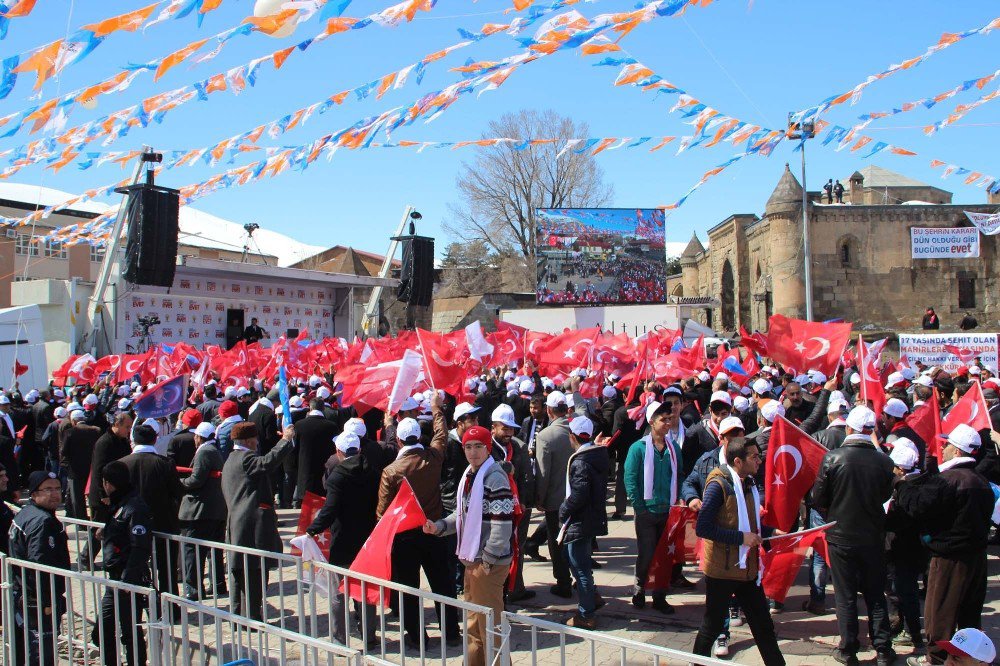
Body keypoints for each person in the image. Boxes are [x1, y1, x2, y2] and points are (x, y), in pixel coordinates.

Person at [897, 424, 994, 666]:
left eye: (948, 443)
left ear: (958, 451)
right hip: (976, 559)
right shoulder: (982, 481)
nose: (943, 446)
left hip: (949, 559)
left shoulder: (947, 481)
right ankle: (967, 658)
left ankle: (937, 659)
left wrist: (901, 484)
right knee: (969, 613)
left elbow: (918, 507)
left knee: (939, 613)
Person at [811, 406, 896, 666]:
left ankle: (848, 650)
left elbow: (818, 498)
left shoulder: (833, 458)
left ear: (849, 429)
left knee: (845, 595)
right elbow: (884, 496)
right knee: (874, 593)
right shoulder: (885, 461)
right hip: (872, 536)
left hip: (841, 536)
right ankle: (883, 649)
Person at [424, 425, 514, 666]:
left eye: (478, 447)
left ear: (488, 449)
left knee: (490, 627)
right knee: (474, 625)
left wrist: (487, 561)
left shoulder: (495, 478)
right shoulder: (469, 475)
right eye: (468, 447)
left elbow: (502, 526)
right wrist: (440, 526)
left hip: (486, 564)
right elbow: (462, 514)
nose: (473, 452)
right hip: (471, 560)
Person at [691, 437, 784, 665]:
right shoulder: (718, 485)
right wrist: (742, 538)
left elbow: (749, 523)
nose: (759, 461)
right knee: (711, 627)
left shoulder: (749, 482)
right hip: (722, 571)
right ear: (737, 461)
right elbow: (703, 527)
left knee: (763, 626)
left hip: (747, 569)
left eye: (759, 456)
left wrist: (772, 532)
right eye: (754, 457)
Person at [376, 394, 460, 648]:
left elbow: (382, 511)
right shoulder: (432, 459)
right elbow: (441, 435)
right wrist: (436, 409)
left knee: (409, 589)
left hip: (404, 537)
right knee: (442, 584)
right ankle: (452, 633)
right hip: (433, 530)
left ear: (399, 440)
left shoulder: (391, 471)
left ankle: (416, 637)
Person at [307, 432, 380, 646]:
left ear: (339, 452)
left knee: (338, 593)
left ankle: (339, 640)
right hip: (367, 540)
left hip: (343, 541)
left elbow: (329, 510)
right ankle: (370, 637)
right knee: (365, 591)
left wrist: (312, 529)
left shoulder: (337, 476)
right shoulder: (373, 472)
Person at [222, 421, 295, 620]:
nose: (257, 443)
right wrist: (285, 440)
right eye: (254, 439)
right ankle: (251, 618)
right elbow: (267, 462)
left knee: (239, 575)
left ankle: (238, 616)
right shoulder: (246, 458)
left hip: (238, 525)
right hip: (251, 528)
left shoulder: (231, 459)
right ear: (247, 440)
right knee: (254, 575)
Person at [624, 388, 685, 615]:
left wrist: (677, 501)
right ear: (651, 421)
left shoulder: (673, 448)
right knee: (647, 553)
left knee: (665, 556)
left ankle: (660, 594)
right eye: (663, 419)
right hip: (647, 512)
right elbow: (630, 479)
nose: (668, 423)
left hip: (668, 511)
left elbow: (679, 476)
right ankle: (639, 589)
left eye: (670, 419)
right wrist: (639, 507)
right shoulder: (638, 449)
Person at [9, 470, 71, 666]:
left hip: (23, 596)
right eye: (48, 489)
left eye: (57, 489)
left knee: (24, 652)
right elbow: (40, 565)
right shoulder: (42, 521)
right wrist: (48, 601)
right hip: (37, 600)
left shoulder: (26, 513)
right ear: (34, 493)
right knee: (41, 655)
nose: (54, 494)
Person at [95, 461, 153, 666]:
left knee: (130, 631)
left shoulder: (134, 506)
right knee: (102, 630)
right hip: (115, 580)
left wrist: (129, 580)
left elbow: (140, 546)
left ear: (108, 483)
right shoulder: (119, 503)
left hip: (129, 579)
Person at [559, 416, 609, 629]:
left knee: (579, 567)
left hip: (580, 520)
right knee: (582, 564)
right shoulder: (595, 454)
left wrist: (564, 508)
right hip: (590, 518)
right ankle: (592, 598)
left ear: (572, 437)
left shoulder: (580, 461)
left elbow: (579, 494)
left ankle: (586, 614)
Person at [489, 403, 536, 602]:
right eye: (504, 428)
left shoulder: (519, 446)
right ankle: (496, 589)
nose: (508, 432)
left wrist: (524, 502)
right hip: (494, 509)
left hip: (518, 508)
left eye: (511, 428)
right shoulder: (486, 448)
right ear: (494, 428)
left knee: (518, 547)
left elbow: (527, 477)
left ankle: (516, 587)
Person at [533, 390, 575, 598]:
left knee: (556, 541)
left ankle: (563, 581)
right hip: (577, 498)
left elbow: (543, 472)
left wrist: (539, 498)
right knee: (575, 540)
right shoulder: (578, 430)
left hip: (555, 500)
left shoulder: (546, 436)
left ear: (548, 410)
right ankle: (580, 576)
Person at [179, 421, 227, 601]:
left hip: (201, 509)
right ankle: (218, 584)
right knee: (214, 549)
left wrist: (179, 483)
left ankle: (193, 588)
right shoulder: (214, 451)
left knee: (193, 549)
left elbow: (197, 480)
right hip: (215, 508)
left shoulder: (205, 452)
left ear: (199, 437)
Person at [60, 409, 102, 518]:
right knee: (92, 495)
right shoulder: (96, 430)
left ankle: (81, 521)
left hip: (75, 470)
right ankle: (95, 518)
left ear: (73, 421)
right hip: (92, 467)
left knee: (77, 498)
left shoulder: (70, 432)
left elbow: (63, 451)